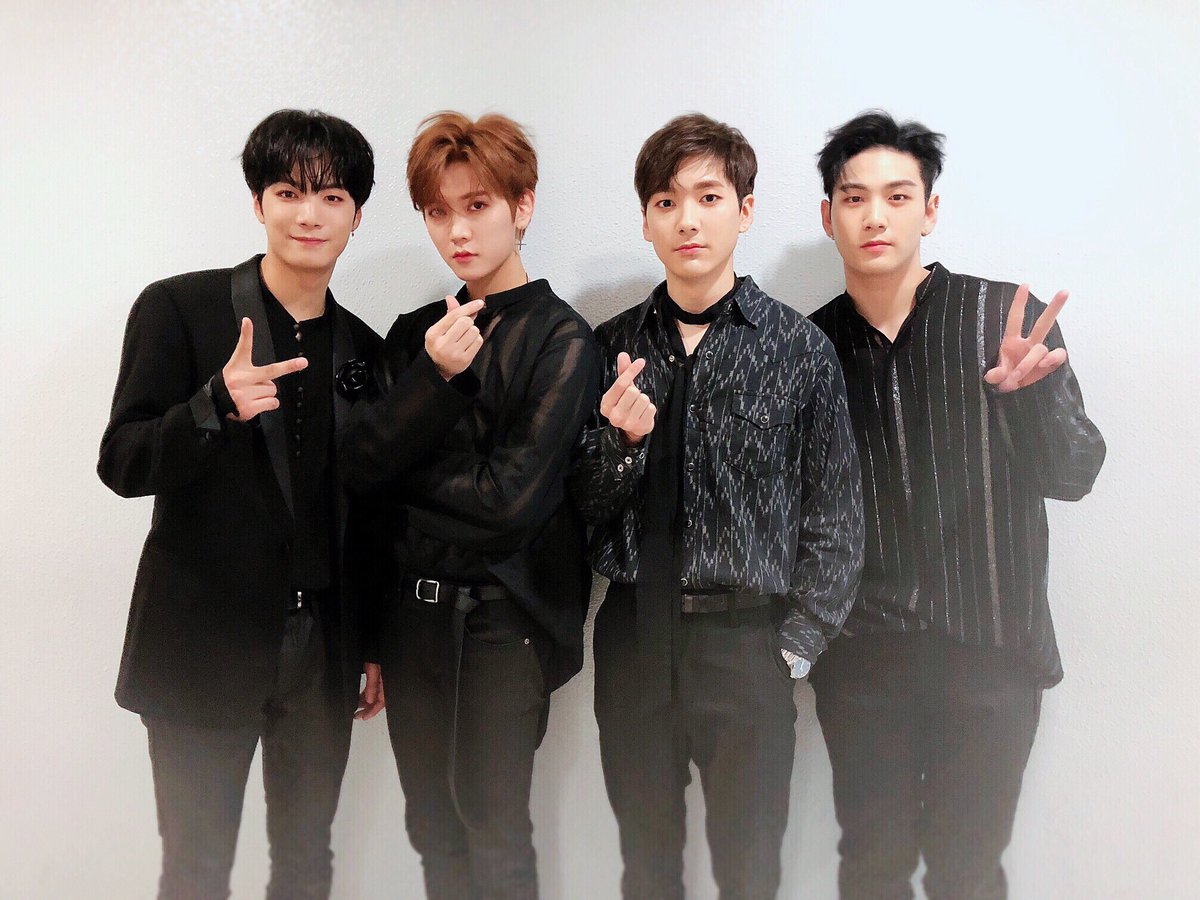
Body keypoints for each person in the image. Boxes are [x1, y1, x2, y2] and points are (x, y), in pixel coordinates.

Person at [807, 110, 1107, 900]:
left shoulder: (1005, 319)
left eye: (898, 196)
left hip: (990, 648)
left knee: (967, 873)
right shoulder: (807, 347)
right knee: (871, 869)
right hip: (862, 657)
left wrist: (1025, 398)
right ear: (829, 216)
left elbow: (1075, 473)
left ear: (930, 210)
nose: (876, 216)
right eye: (854, 197)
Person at [571, 113, 864, 900]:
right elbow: (578, 511)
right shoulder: (609, 347)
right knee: (646, 868)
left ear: (746, 209)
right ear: (646, 220)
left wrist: (796, 646)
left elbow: (836, 516)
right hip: (635, 638)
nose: (688, 220)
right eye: (667, 202)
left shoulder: (798, 349)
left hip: (749, 646)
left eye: (709, 196)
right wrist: (619, 444)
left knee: (750, 871)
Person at [97, 109, 384, 899]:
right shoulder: (180, 309)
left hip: (320, 652)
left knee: (307, 863)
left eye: (331, 196)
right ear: (258, 203)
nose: (309, 213)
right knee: (196, 868)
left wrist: (369, 642)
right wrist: (211, 407)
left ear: (357, 216)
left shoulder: (364, 349)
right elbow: (121, 461)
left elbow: (368, 513)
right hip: (202, 641)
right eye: (289, 191)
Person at [340, 111, 600, 900]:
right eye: (438, 211)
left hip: (503, 622)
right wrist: (431, 380)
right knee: (432, 827)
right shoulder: (415, 336)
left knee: (495, 831)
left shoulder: (562, 339)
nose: (457, 230)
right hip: (410, 620)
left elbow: (509, 503)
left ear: (522, 206)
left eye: (477, 205)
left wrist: (402, 464)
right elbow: (359, 474)